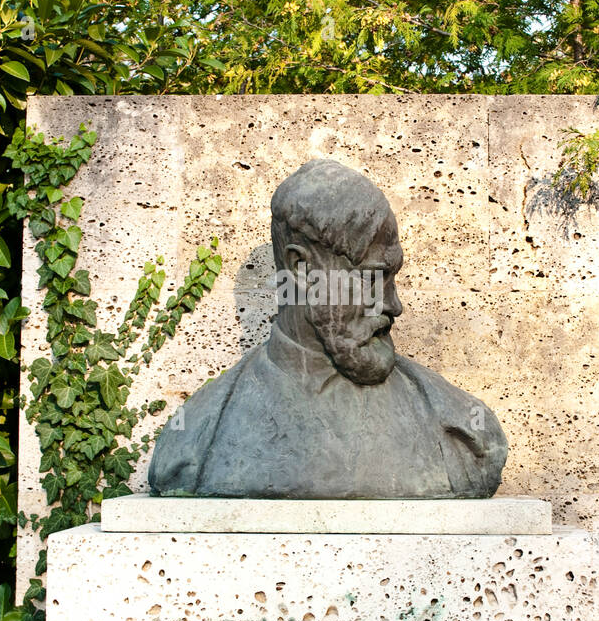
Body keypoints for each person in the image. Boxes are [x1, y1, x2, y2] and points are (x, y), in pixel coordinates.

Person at [148, 159, 508, 498]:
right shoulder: (194, 441)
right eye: (372, 277)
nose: (393, 304)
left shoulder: (462, 431)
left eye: (391, 279)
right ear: (302, 268)